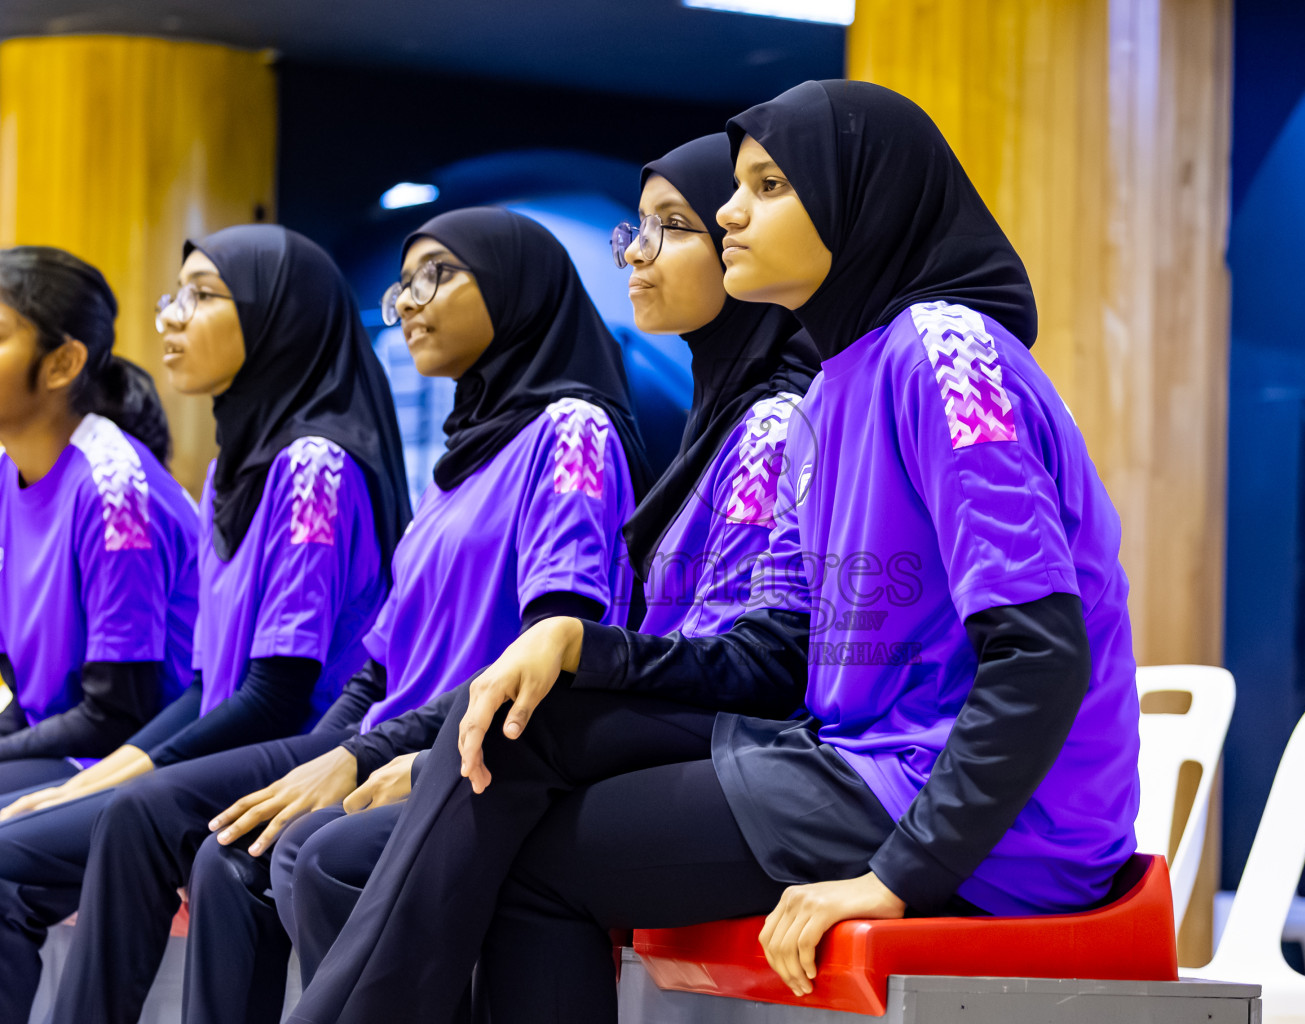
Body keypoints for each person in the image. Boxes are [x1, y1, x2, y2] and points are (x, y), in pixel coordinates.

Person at [293, 79, 1139, 1024]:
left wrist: (905, 870)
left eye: (769, 185)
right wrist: (587, 648)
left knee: (524, 865)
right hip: (855, 761)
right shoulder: (832, 391)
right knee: (511, 736)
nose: (732, 211)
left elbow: (1041, 650)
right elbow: (781, 653)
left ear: (860, 198)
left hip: (985, 821)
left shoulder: (946, 355)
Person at [263, 136, 819, 999]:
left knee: (342, 848)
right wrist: (370, 747)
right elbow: (378, 669)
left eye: (672, 227)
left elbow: (749, 664)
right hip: (663, 731)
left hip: (749, 749)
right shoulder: (711, 430)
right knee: (292, 845)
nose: (635, 252)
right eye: (636, 228)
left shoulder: (647, 431)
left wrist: (428, 747)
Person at [158, 206, 652, 1024]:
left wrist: (374, 759)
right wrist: (343, 752)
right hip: (408, 746)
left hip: (488, 757)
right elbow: (378, 671)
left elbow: (551, 644)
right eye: (404, 282)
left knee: (306, 857)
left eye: (438, 274)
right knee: (231, 856)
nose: (410, 302)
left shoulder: (571, 432)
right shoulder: (461, 463)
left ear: (515, 290)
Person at [0, 225, 412, 1023]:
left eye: (202, 295)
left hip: (306, 743)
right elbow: (203, 687)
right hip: (229, 739)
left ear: (275, 319)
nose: (171, 318)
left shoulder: (313, 467)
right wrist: (114, 768)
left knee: (100, 826)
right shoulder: (235, 463)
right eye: (173, 295)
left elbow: (277, 694)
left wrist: (117, 773)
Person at [0, 247, 199, 792]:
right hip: (62, 743)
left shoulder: (116, 492)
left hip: (129, 764)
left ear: (63, 363)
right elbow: (29, 693)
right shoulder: (7, 472)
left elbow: (116, 715)